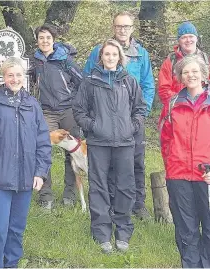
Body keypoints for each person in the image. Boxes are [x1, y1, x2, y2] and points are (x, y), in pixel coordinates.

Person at [159, 55, 210, 268]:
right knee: (185, 229)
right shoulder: (172, 105)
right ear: (180, 76)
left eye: (195, 71)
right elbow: (166, 140)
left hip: (209, 177)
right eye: (186, 72)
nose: (191, 75)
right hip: (179, 177)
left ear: (204, 74)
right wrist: (172, 164)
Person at [0, 57, 51, 268]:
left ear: (24, 77)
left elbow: (43, 142)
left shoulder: (32, 105)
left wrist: (40, 172)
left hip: (26, 178)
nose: (15, 79)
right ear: (4, 77)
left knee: (16, 228)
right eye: (10, 75)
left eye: (18, 75)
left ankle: (11, 264)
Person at [73, 39, 146, 253]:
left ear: (120, 57)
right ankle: (102, 232)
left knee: (125, 187)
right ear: (101, 57)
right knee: (99, 188)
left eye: (114, 54)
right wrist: (93, 126)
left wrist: (131, 127)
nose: (111, 58)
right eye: (107, 54)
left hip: (124, 143)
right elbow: (79, 110)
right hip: (98, 143)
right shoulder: (90, 82)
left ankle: (123, 231)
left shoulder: (129, 81)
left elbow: (140, 108)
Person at [84, 11, 155, 219]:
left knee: (137, 162)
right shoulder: (100, 51)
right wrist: (93, 118)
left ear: (132, 28)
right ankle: (112, 202)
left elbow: (148, 85)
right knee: (110, 164)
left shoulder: (142, 54)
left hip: (132, 120)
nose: (123, 30)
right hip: (105, 120)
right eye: (119, 26)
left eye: (126, 26)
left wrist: (141, 115)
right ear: (113, 28)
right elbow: (87, 81)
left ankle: (138, 204)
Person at [29, 23, 83, 210]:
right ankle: (45, 195)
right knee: (42, 150)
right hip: (46, 112)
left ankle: (70, 194)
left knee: (72, 152)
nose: (45, 41)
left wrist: (74, 102)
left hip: (68, 110)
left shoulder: (65, 60)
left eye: (48, 38)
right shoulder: (34, 62)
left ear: (54, 40)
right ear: (37, 40)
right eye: (41, 38)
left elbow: (81, 81)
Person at [158, 21, 210, 106]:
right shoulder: (170, 62)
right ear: (179, 40)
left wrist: (206, 103)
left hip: (205, 110)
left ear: (196, 38)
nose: (188, 40)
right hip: (179, 110)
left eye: (191, 36)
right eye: (184, 37)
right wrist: (181, 103)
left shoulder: (208, 60)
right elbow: (164, 90)